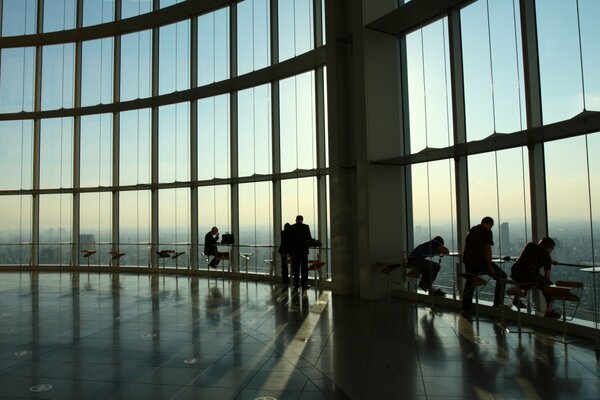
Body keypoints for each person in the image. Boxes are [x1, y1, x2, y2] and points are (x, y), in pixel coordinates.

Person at [461, 216, 507, 315]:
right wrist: (490, 266)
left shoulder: (471, 231)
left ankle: (465, 308)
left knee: (470, 282)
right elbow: (487, 248)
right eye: (491, 226)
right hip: (480, 262)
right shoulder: (486, 231)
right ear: (489, 224)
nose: (491, 228)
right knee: (502, 276)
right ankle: (498, 304)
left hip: (469, 262)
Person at [511, 238, 560, 318]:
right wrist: (545, 282)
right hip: (528, 274)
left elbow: (530, 258)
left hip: (515, 272)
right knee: (548, 285)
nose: (552, 251)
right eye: (552, 249)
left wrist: (549, 261)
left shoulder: (530, 246)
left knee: (532, 283)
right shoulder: (546, 256)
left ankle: (517, 299)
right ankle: (549, 311)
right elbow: (547, 276)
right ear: (548, 247)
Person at [289, 215, 313, 291]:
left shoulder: (292, 227)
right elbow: (308, 238)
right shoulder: (306, 227)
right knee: (304, 269)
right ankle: (304, 284)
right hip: (303, 251)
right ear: (302, 220)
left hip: (295, 252)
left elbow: (290, 240)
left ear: (296, 220)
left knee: (296, 268)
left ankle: (296, 285)